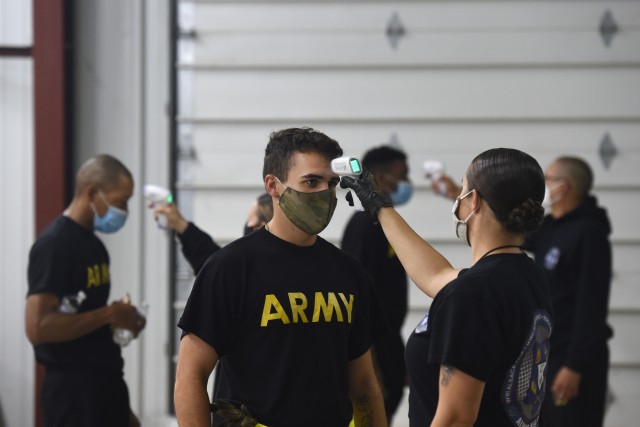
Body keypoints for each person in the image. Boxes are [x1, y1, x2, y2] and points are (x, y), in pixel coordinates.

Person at [174, 127, 388, 427]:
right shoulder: (231, 268)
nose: (324, 193)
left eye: (331, 183)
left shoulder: (349, 274)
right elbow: (190, 377)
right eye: (311, 181)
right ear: (273, 186)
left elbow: (364, 385)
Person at [342, 148, 554, 426]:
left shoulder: (472, 295)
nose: (457, 201)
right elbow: (435, 275)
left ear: (474, 201)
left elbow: (455, 419)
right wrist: (379, 206)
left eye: (462, 190)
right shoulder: (525, 274)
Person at [25, 154, 146, 427]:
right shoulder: (55, 244)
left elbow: (85, 316)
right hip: (73, 397)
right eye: (120, 201)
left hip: (104, 386)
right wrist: (109, 315)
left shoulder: (95, 246)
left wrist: (120, 320)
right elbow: (37, 327)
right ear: (93, 192)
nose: (124, 210)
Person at [524, 156, 613, 427]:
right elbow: (508, 230)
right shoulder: (551, 227)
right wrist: (465, 199)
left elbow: (592, 305)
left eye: (547, 180)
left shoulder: (589, 234)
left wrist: (574, 366)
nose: (542, 187)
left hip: (572, 360)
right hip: (547, 353)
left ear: (563, 187)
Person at [341, 145, 411, 425]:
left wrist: (400, 361)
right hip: (372, 350)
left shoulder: (385, 224)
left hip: (389, 343)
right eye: (401, 176)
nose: (406, 184)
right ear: (380, 177)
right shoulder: (363, 225)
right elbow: (357, 298)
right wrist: (371, 366)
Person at [151, 192, 272, 275]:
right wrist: (180, 225)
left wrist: (181, 225)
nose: (247, 226)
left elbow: (217, 269)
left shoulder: (250, 276)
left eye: (250, 221)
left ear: (260, 227)